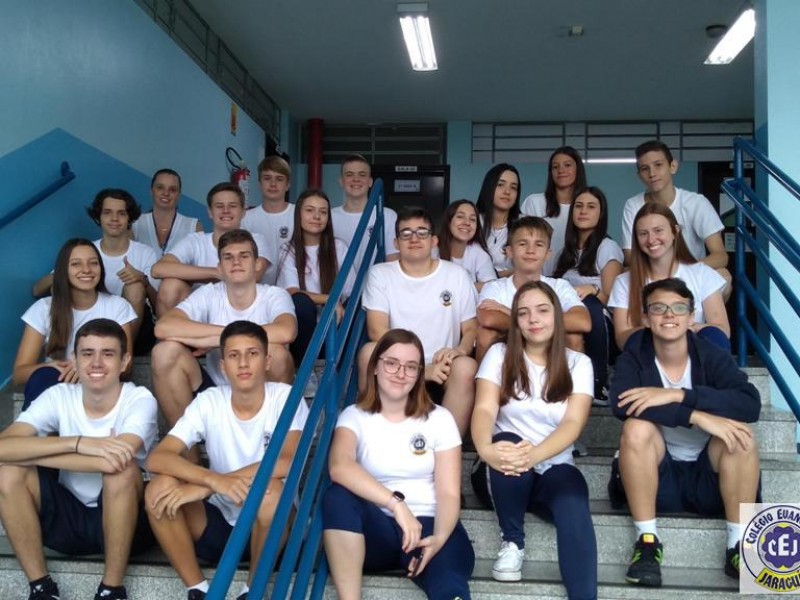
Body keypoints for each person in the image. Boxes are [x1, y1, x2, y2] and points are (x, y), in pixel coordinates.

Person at [610, 278, 760, 587]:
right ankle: (647, 543)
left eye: (679, 308)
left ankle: (738, 546)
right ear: (646, 318)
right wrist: (695, 416)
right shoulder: (634, 357)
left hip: (711, 479)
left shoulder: (711, 355)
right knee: (636, 428)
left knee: (740, 436)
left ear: (692, 317)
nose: (669, 315)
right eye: (658, 308)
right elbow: (622, 403)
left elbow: (750, 403)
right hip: (657, 479)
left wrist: (679, 395)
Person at [146, 320, 308, 600]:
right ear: (222, 366)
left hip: (272, 530)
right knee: (157, 489)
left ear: (267, 361)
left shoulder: (286, 398)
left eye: (252, 353)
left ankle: (252, 591)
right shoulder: (210, 400)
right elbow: (158, 458)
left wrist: (207, 486)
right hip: (220, 523)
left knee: (272, 492)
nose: (243, 363)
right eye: (234, 355)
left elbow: (287, 462)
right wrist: (213, 481)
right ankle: (198, 589)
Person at [0, 318, 157, 600]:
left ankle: (112, 590)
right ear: (74, 359)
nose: (96, 362)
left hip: (127, 524)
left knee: (121, 473)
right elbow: (3, 447)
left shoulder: (139, 399)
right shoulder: (58, 395)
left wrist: (38, 453)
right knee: (8, 473)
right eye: (87, 353)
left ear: (124, 361)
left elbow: (114, 461)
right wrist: (78, 443)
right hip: (68, 520)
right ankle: (42, 589)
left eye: (107, 354)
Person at [323, 328, 474, 600]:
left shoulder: (439, 418)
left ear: (419, 374)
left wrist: (439, 538)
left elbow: (449, 493)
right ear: (375, 367)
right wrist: (396, 505)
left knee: (449, 584)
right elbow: (340, 467)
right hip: (376, 528)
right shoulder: (354, 416)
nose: (400, 373)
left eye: (411, 367)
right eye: (391, 363)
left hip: (429, 523)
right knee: (337, 497)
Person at [471, 281, 597, 598]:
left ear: (557, 315)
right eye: (524, 313)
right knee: (508, 440)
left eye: (542, 310)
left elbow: (573, 423)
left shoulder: (579, 363)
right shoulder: (499, 354)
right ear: (515, 321)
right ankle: (512, 543)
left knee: (572, 496)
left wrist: (535, 455)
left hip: (550, 468)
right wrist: (485, 449)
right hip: (502, 472)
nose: (533, 319)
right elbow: (484, 409)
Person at [151, 229, 296, 429]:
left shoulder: (275, 295)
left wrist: (215, 340)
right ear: (219, 267)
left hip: (261, 394)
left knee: (277, 354)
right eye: (228, 257)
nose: (236, 262)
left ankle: (270, 437)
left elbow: (286, 331)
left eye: (244, 256)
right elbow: (163, 327)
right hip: (215, 392)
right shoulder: (208, 293)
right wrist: (226, 336)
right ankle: (185, 446)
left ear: (257, 264)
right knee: (164, 352)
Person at [359, 207, 478, 437]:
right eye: (406, 233)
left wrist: (459, 351)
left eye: (422, 232)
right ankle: (375, 437)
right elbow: (376, 330)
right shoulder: (380, 273)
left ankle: (447, 445)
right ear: (396, 242)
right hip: (398, 361)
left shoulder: (456, 275)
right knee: (368, 353)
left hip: (444, 364)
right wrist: (418, 368)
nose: (414, 238)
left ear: (434, 240)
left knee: (466, 366)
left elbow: (471, 328)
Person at [14, 239, 137, 409]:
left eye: (93, 263)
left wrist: (83, 367)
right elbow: (19, 374)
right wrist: (51, 367)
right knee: (44, 377)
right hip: (58, 383)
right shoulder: (43, 308)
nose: (86, 269)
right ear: (63, 271)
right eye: (76, 264)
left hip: (100, 383)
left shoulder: (117, 306)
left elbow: (126, 366)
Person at [32, 189, 159, 351]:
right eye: (107, 213)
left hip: (136, 331)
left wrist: (143, 280)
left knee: (135, 287)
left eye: (121, 213)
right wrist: (66, 273)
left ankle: (123, 354)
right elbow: (37, 290)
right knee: (59, 286)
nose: (114, 218)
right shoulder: (86, 252)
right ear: (98, 217)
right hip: (93, 323)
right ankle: (66, 351)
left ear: (129, 218)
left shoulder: (145, 253)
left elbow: (159, 306)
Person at [609, 203, 730, 351]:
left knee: (713, 335)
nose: (651, 239)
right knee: (637, 338)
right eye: (643, 233)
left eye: (658, 230)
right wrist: (659, 331)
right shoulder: (623, 282)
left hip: (695, 351)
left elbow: (722, 329)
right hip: (649, 356)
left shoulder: (702, 273)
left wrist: (681, 330)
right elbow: (622, 338)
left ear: (675, 232)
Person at [620, 140, 730, 294]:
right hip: (651, 273)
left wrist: (680, 271)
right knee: (623, 275)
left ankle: (703, 310)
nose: (652, 173)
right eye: (645, 169)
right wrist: (661, 271)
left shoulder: (696, 202)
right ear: (639, 176)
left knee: (724, 276)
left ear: (673, 166)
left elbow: (720, 256)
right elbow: (629, 256)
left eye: (658, 165)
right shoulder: (633, 205)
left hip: (691, 274)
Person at [476, 217, 590, 364]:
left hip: (550, 357)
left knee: (574, 337)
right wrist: (540, 323)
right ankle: (484, 379)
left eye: (539, 245)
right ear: (509, 251)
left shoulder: (559, 286)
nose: (530, 251)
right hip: (509, 357)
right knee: (486, 334)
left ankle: (569, 380)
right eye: (523, 244)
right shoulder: (494, 287)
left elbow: (582, 322)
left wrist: (510, 312)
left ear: (548, 254)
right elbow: (488, 319)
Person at [150, 182, 270, 316]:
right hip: (201, 312)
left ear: (243, 212)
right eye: (219, 206)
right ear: (210, 212)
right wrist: (215, 273)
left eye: (232, 206)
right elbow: (158, 270)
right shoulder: (196, 241)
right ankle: (168, 330)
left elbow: (254, 276)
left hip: (242, 310)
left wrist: (195, 277)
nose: (226, 211)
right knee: (170, 286)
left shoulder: (256, 240)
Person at [552, 187, 623, 404]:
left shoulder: (607, 247)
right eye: (579, 206)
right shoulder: (565, 253)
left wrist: (594, 290)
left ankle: (599, 382)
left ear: (601, 214)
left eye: (591, 207)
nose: (583, 211)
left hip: (601, 323)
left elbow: (614, 300)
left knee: (588, 302)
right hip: (569, 318)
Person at [276, 188, 354, 366]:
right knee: (300, 302)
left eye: (323, 212)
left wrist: (336, 304)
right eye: (310, 210)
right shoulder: (288, 250)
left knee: (358, 303)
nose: (317, 216)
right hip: (304, 334)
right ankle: (306, 368)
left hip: (334, 327)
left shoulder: (339, 247)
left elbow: (349, 293)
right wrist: (329, 300)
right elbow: (292, 292)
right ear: (299, 215)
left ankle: (345, 367)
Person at [521, 146, 588, 275]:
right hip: (537, 278)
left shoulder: (585, 206)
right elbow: (521, 242)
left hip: (575, 280)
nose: (561, 170)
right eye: (555, 167)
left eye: (567, 165)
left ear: (578, 170)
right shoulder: (534, 202)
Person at [331, 154, 399, 272]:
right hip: (338, 283)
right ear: (341, 181)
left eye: (362, 175)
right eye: (349, 174)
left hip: (376, 283)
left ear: (370, 182)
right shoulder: (329, 217)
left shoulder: (387, 216)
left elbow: (392, 261)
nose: (356, 179)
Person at [242, 155, 294, 285]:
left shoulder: (299, 214)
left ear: (288, 184)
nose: (273, 184)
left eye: (279, 179)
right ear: (259, 183)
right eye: (267, 178)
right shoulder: (246, 219)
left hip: (293, 289)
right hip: (257, 289)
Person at [132, 168, 202, 256]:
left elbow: (201, 262)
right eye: (160, 188)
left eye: (172, 189)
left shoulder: (193, 227)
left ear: (179, 195)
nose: (166, 193)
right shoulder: (135, 223)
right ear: (151, 191)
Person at [435, 199, 496, 292]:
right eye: (460, 217)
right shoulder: (433, 250)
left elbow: (493, 287)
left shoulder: (478, 253)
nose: (467, 223)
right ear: (448, 221)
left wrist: (459, 288)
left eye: (472, 219)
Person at [475, 163, 521, 277]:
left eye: (513, 187)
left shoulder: (524, 225)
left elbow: (529, 270)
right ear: (489, 187)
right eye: (500, 184)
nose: (507, 191)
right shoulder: (473, 222)